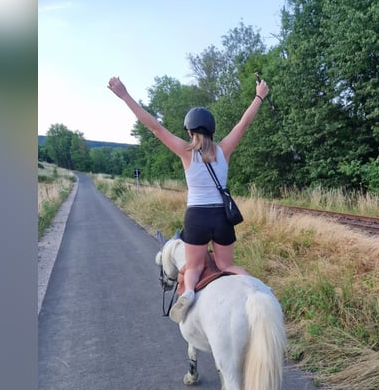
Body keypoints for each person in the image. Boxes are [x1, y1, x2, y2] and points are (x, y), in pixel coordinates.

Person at [107, 74, 269, 322]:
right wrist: (259, 96)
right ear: (212, 130)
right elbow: (243, 123)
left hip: (197, 217)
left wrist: (125, 95)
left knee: (193, 267)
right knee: (227, 266)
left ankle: (189, 293)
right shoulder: (224, 150)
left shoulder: (185, 151)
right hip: (222, 217)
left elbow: (154, 126)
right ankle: (254, 288)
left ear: (190, 130)